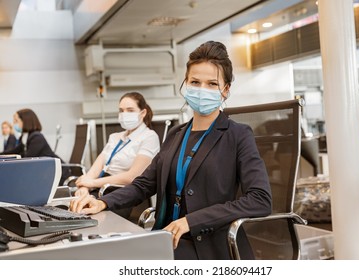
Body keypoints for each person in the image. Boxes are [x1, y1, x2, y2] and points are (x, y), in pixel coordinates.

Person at [70, 41, 272, 260]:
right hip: (166, 239)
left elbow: (260, 199)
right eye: (195, 82)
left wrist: (191, 221)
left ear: (225, 90)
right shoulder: (177, 134)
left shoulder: (237, 135)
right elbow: (144, 184)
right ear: (185, 84)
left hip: (207, 246)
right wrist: (104, 202)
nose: (202, 89)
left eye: (212, 84)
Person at [74, 92, 160, 200]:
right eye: (121, 110)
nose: (124, 114)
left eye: (130, 110)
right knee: (73, 207)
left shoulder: (149, 137)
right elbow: (98, 166)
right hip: (101, 187)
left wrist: (92, 183)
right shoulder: (114, 137)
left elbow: (132, 177)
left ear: (142, 113)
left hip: (121, 192)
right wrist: (84, 188)